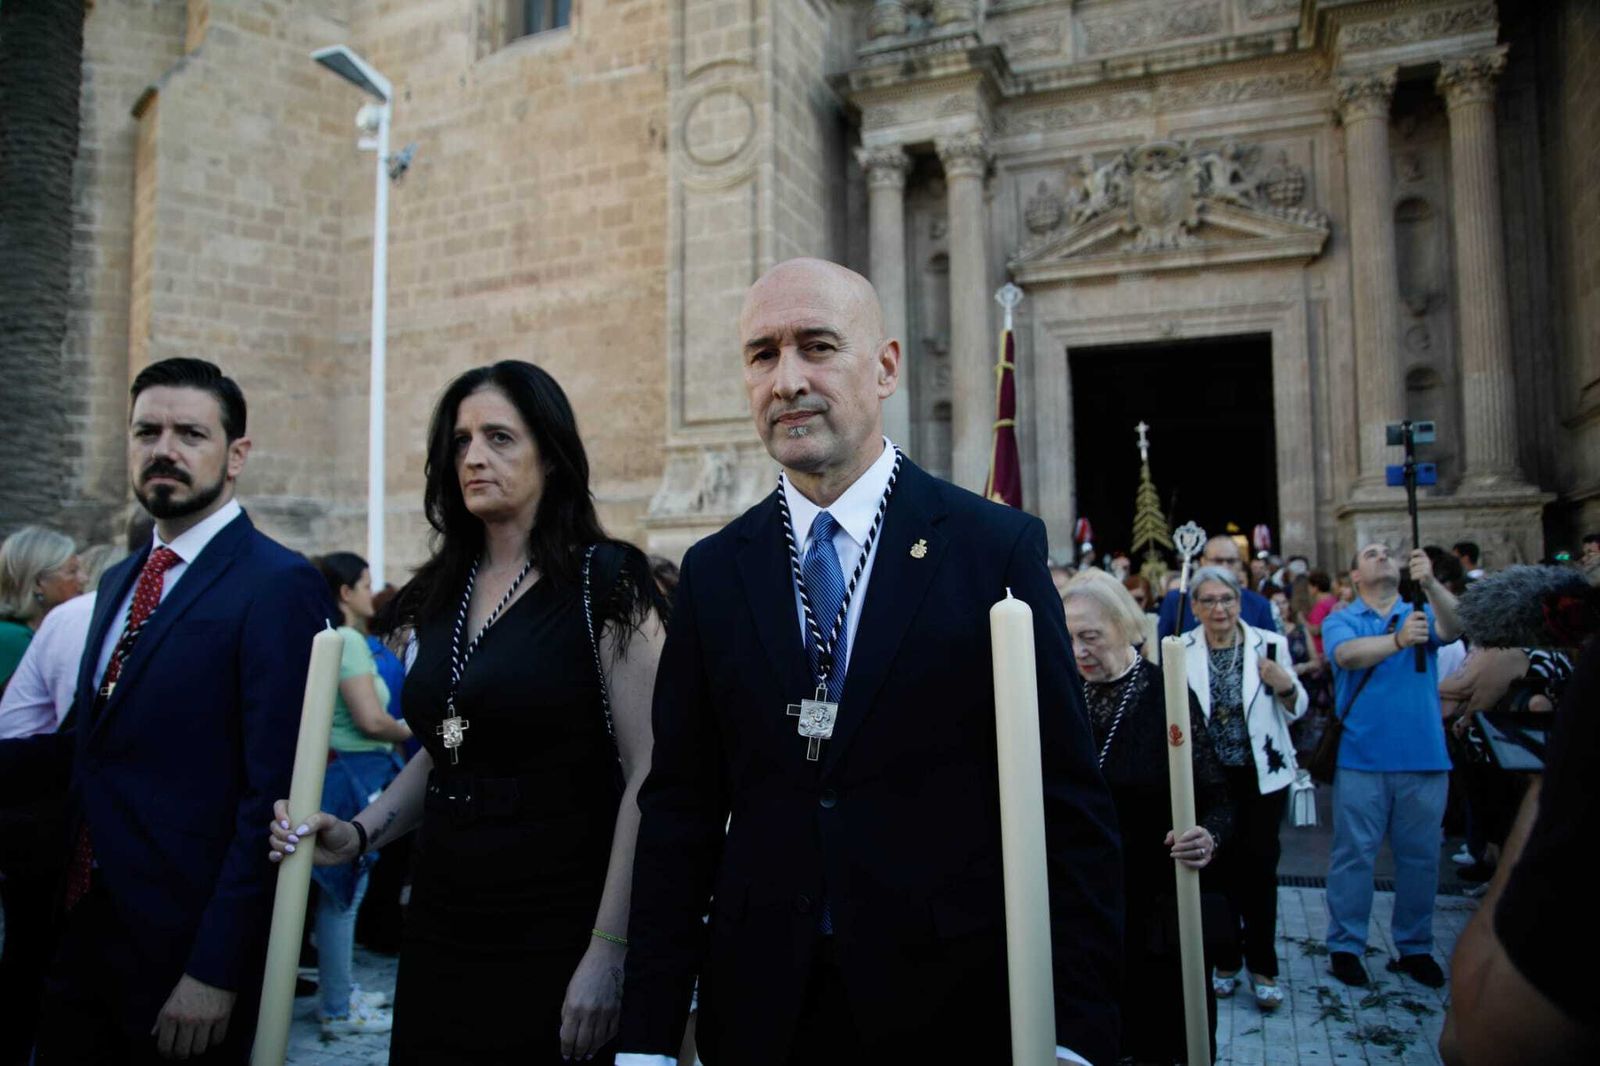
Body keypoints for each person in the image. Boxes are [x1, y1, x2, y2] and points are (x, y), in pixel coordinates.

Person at [617, 259, 1122, 1066]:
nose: (787, 381)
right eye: (762, 355)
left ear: (885, 366)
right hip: (764, 1007)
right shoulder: (715, 570)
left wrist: (1075, 1034)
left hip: (950, 1003)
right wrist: (645, 1035)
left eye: (816, 347)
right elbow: (680, 808)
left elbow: (1065, 801)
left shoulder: (992, 549)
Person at [269, 361, 667, 1065]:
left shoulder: (604, 582)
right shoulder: (442, 592)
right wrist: (359, 834)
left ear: (550, 451)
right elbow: (446, 746)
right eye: (460, 441)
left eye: (499, 438)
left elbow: (648, 775)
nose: (475, 457)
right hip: (445, 913)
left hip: (559, 917)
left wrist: (610, 951)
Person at [0, 358, 328, 1063]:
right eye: (147, 431)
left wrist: (215, 968)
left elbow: (269, 794)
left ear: (236, 454)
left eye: (190, 433)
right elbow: (99, 746)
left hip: (182, 958)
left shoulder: (279, 585)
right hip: (80, 935)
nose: (164, 450)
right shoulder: (121, 579)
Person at [1064, 569, 1230, 1063]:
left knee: (1162, 1029)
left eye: (1089, 636)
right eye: (1066, 637)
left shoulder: (1167, 696)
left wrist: (1209, 837)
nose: (1076, 651)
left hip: (1155, 897)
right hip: (1083, 899)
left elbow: (1218, 797)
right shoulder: (1061, 694)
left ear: (1126, 627)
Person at [1321, 543, 1462, 989]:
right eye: (1370, 553)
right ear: (1355, 576)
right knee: (1353, 857)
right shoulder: (1341, 619)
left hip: (1424, 758)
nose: (1382, 556)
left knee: (1420, 860)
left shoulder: (1420, 611)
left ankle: (1415, 947)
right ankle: (1346, 945)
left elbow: (1458, 626)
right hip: (1362, 759)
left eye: (1388, 552)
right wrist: (1398, 640)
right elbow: (1347, 656)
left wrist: (1432, 584)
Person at [1179, 565, 1307, 1013]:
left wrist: (1285, 684)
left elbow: (1298, 707)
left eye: (1227, 599)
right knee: (1214, 871)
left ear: (1240, 602)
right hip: (1207, 779)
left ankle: (1263, 965)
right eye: (1209, 600)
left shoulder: (1267, 644)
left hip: (1259, 776)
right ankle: (1227, 961)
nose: (1220, 609)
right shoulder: (1179, 649)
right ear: (1195, 607)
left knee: (1259, 870)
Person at [307, 552, 411, 1034]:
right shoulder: (346, 639)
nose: (372, 593)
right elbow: (370, 720)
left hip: (363, 769)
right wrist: (427, 728)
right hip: (356, 774)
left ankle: (340, 991)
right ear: (345, 592)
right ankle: (337, 1006)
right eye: (365, 583)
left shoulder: (353, 639)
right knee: (344, 895)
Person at [0, 527, 83, 696]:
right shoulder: (12, 640)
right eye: (72, 572)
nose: (84, 579)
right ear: (38, 583)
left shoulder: (40, 632)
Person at [1157, 535, 1277, 638]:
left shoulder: (1259, 604)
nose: (1224, 567)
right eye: (1218, 561)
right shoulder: (1176, 601)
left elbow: (1271, 649)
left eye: (1231, 561)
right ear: (1203, 562)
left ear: (1240, 564)